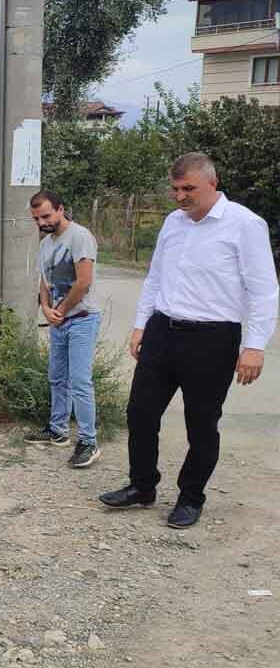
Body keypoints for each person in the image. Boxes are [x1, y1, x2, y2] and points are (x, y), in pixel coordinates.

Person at [99, 152, 278, 529]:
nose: (181, 196)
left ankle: (191, 497)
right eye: (176, 189)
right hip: (164, 330)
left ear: (212, 184)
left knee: (201, 423)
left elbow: (264, 291)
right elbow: (155, 277)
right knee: (140, 412)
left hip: (213, 339)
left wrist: (255, 345)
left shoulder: (245, 224)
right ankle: (142, 486)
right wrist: (140, 324)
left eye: (189, 189)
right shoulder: (173, 223)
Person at [23, 190, 103, 468]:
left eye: (45, 216)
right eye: (36, 218)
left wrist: (61, 310)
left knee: (80, 382)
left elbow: (84, 282)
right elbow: (44, 283)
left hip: (81, 319)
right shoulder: (46, 244)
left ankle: (88, 441)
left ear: (60, 209)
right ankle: (57, 431)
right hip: (58, 320)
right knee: (57, 378)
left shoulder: (80, 237)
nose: (41, 222)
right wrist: (46, 308)